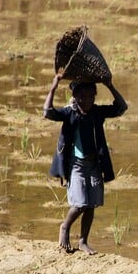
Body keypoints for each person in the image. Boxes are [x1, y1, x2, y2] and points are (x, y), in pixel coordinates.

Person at [43, 73, 128, 255]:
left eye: (91, 96)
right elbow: (47, 112)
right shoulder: (69, 113)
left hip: (94, 164)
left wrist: (110, 86)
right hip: (76, 165)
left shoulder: (97, 113)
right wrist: (53, 87)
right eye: (82, 97)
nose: (87, 100)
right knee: (80, 204)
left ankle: (83, 241)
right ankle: (65, 228)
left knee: (91, 204)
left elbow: (121, 107)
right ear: (75, 97)